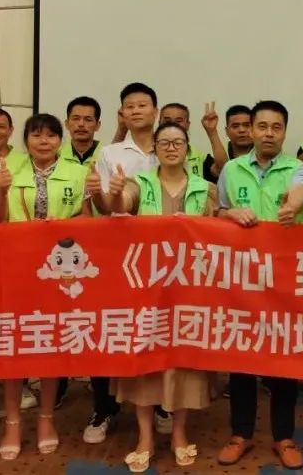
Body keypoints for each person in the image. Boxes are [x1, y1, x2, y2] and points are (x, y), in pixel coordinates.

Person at [94, 122, 217, 472]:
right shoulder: (140, 183)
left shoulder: (205, 188)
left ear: (187, 148)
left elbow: (217, 232)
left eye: (178, 142)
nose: (171, 147)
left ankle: (179, 433)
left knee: (184, 365)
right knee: (144, 366)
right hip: (145, 291)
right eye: (164, 142)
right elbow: (121, 206)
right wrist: (113, 194)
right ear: (156, 149)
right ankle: (145, 437)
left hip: (189, 291)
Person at [214, 99, 303, 469]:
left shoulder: (298, 168)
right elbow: (217, 212)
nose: (269, 133)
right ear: (251, 130)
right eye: (262, 126)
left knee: (284, 363)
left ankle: (284, 437)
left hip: (284, 280)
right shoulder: (231, 169)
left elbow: (299, 192)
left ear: (284, 132)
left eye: (276, 127)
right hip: (240, 280)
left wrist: (292, 207)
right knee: (241, 359)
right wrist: (229, 213)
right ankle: (240, 434)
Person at [0, 113, 88, 460]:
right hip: (16, 268)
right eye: (37, 135)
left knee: (50, 343)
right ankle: (12, 422)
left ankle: (46, 419)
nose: (44, 142)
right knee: (14, 345)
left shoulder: (78, 172)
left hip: (60, 271)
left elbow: (88, 217)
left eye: (51, 136)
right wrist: (1, 189)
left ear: (60, 140)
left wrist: (62, 227)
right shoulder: (8, 170)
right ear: (26, 140)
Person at [84, 82, 160, 444]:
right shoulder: (110, 152)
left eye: (142, 105)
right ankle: (105, 408)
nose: (136, 110)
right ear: (122, 114)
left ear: (155, 111)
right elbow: (102, 206)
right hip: (117, 255)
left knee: (159, 329)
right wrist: (106, 193)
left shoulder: (172, 146)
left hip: (161, 256)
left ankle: (162, 405)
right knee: (109, 328)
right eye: (129, 106)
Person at [159, 101, 229, 179]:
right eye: (167, 121)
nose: (173, 124)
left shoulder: (199, 158)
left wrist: (212, 132)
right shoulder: (150, 154)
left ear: (188, 125)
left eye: (178, 121)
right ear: (159, 123)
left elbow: (224, 170)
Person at [203, 104, 253, 183]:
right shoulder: (214, 158)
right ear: (227, 131)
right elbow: (224, 170)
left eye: (247, 125)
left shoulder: (264, 155)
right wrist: (212, 132)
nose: (241, 130)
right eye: (235, 126)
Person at [61, 96, 105, 167]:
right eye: (76, 119)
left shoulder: (107, 155)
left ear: (97, 125)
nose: (81, 124)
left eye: (88, 120)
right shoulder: (55, 155)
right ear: (67, 124)